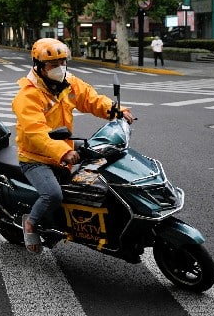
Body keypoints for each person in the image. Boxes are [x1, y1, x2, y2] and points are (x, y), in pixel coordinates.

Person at [13, 38, 132, 253]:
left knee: (97, 162)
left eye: (62, 62)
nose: (59, 68)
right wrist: (64, 152)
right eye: (53, 64)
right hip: (35, 157)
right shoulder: (28, 95)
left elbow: (91, 99)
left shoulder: (68, 83)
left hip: (62, 148)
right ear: (39, 67)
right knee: (53, 195)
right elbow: (35, 132)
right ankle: (30, 222)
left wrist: (116, 111)